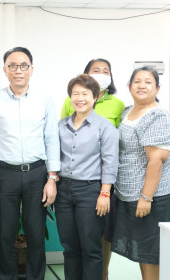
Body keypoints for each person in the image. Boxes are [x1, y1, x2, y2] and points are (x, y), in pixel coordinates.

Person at [0, 47, 60, 280]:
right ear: (5, 70)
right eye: (13, 66)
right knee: (5, 233)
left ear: (32, 69)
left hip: (37, 173)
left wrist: (52, 178)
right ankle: (7, 276)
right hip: (5, 174)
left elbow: (51, 139)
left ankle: (36, 277)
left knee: (36, 233)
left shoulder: (44, 100)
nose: (18, 70)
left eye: (23, 65)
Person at [60, 58, 124, 280]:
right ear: (71, 97)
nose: (80, 98)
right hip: (64, 191)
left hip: (91, 191)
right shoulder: (62, 126)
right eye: (76, 94)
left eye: (85, 94)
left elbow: (110, 162)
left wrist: (105, 193)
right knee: (69, 248)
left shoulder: (105, 127)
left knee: (91, 249)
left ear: (95, 97)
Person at [111, 67, 170, 280]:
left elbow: (156, 160)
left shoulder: (157, 115)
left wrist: (146, 198)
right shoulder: (128, 111)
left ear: (157, 88)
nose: (142, 86)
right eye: (137, 81)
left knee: (151, 255)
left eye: (148, 82)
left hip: (150, 197)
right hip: (128, 194)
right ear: (129, 87)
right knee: (141, 252)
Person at [61, 58, 124, 128]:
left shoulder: (118, 104)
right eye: (96, 71)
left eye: (106, 72)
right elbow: (62, 128)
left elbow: (118, 133)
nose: (101, 75)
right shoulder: (72, 100)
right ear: (86, 74)